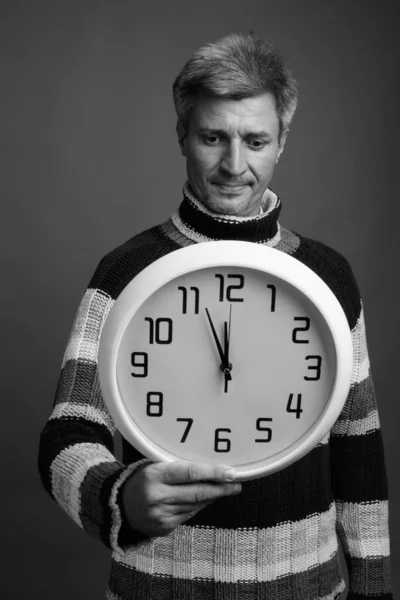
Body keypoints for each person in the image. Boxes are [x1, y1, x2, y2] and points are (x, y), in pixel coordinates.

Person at [38, 33, 393, 600]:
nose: (234, 164)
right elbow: (67, 435)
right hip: (158, 589)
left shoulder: (330, 275)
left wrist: (373, 588)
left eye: (255, 140)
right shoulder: (125, 270)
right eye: (212, 137)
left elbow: (359, 446)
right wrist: (121, 496)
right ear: (182, 136)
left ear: (282, 142)